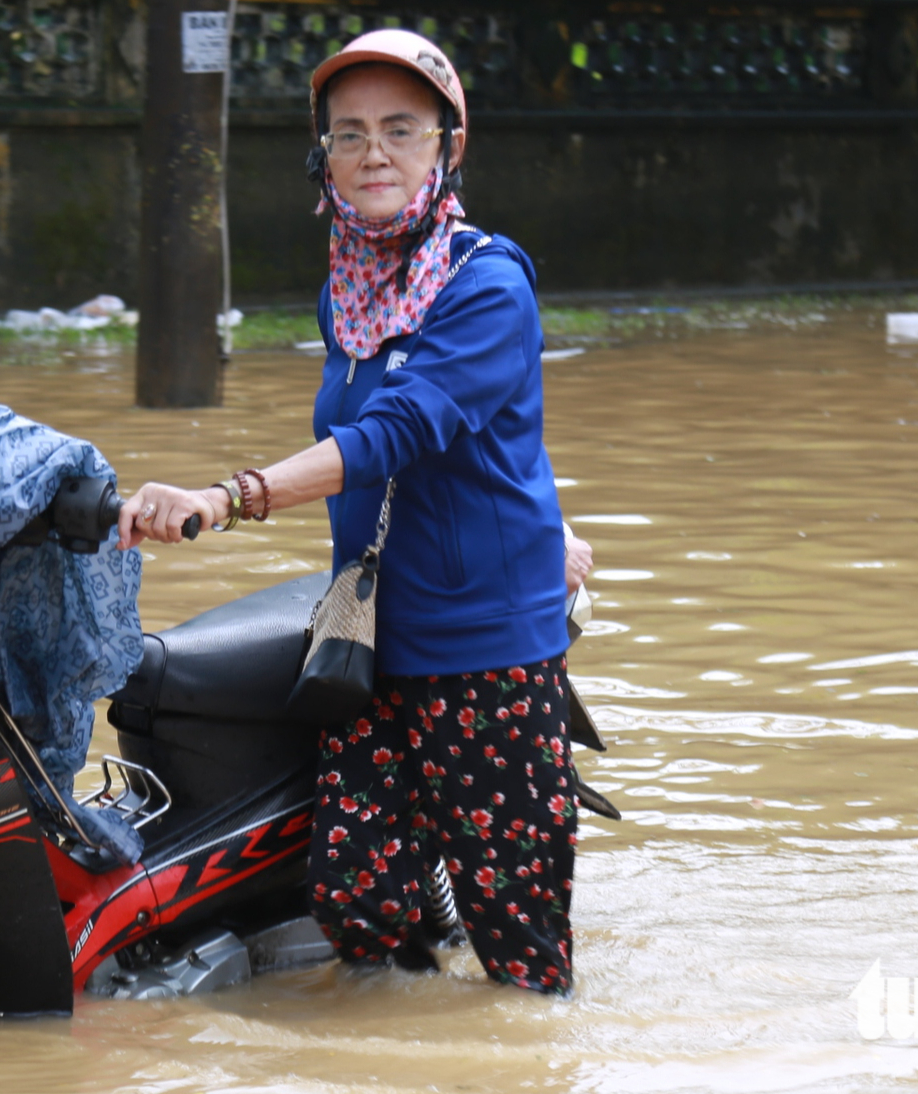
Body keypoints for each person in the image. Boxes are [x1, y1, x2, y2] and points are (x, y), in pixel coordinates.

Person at [115, 29, 592, 993]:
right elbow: (478, 430)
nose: (373, 152)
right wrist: (550, 517)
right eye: (349, 132)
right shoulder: (354, 289)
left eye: (401, 130)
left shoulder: (486, 281)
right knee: (360, 905)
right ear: (322, 155)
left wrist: (226, 496)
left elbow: (396, 433)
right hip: (372, 643)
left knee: (522, 958)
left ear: (448, 148)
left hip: (483, 650)